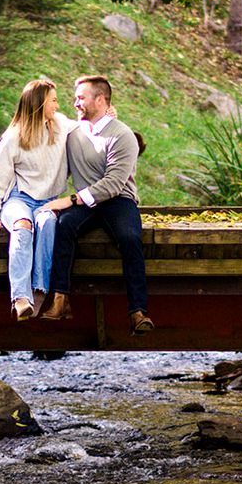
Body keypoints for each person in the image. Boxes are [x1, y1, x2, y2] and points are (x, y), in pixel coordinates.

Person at [38, 75, 153, 336]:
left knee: (130, 237)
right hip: (86, 204)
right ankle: (60, 300)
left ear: (100, 100)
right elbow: (42, 119)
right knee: (64, 226)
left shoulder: (122, 135)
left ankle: (138, 312)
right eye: (75, 98)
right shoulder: (73, 131)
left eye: (81, 98)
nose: (75, 103)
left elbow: (113, 184)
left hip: (118, 200)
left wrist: (70, 200)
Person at [0, 79, 79, 321]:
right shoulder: (13, 137)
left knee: (47, 225)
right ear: (39, 103)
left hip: (48, 201)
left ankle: (38, 291)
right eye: (53, 100)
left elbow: (86, 129)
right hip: (19, 199)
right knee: (23, 226)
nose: (57, 104)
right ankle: (20, 298)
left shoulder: (60, 125)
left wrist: (108, 116)